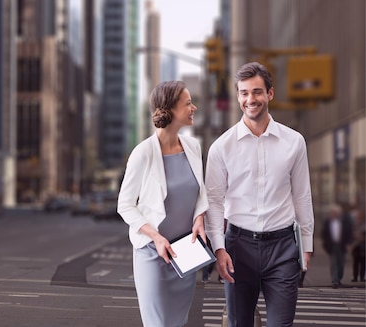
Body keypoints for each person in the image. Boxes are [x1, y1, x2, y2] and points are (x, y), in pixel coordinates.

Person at [205, 62, 315, 326]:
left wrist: (307, 244)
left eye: (256, 92)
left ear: (270, 94)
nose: (250, 99)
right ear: (238, 96)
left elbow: (302, 195)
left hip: (283, 248)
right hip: (237, 248)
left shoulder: (294, 142)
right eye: (243, 93)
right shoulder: (222, 147)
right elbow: (214, 203)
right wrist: (219, 249)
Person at [117, 80, 208, 326]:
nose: (193, 108)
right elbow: (125, 205)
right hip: (152, 253)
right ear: (171, 109)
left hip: (185, 253)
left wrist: (200, 218)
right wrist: (156, 238)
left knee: (178, 322)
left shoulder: (193, 146)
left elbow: (200, 192)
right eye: (188, 103)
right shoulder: (143, 152)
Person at [322, 203, 354, 288]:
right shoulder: (327, 222)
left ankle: (339, 278)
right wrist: (326, 244)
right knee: (334, 263)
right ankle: (335, 280)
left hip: (342, 245)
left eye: (336, 212)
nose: (334, 214)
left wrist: (349, 243)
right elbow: (324, 234)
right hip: (332, 245)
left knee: (341, 263)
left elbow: (349, 233)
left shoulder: (344, 221)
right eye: (333, 212)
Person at [351, 209, 365, 282]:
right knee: (355, 262)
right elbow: (351, 233)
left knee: (363, 262)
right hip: (356, 245)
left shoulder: (364, 224)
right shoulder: (355, 224)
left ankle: (362, 277)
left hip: (363, 245)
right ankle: (355, 277)